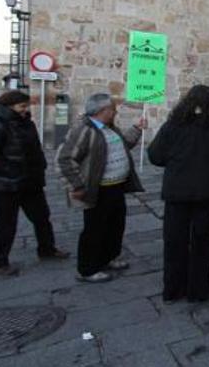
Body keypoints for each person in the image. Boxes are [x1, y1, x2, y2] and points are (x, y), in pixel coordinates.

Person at [147, 85, 209, 303]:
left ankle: (172, 290)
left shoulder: (173, 125)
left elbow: (155, 155)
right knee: (202, 243)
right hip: (208, 193)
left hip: (177, 193)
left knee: (174, 242)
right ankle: (199, 291)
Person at [57, 93, 145, 283]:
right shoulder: (84, 130)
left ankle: (108, 257)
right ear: (101, 111)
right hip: (98, 189)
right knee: (95, 228)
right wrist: (77, 185)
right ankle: (87, 269)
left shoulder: (110, 128)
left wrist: (137, 129)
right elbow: (65, 158)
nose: (115, 112)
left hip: (116, 186)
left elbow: (124, 145)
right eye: (112, 109)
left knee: (115, 224)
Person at [0, 91, 69, 276]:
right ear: (10, 107)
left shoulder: (28, 124)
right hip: (5, 186)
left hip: (31, 182)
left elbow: (34, 149)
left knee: (42, 218)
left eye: (26, 105)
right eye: (22, 106)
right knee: (5, 224)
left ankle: (47, 249)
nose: (25, 109)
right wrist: (11, 170)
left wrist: (41, 165)